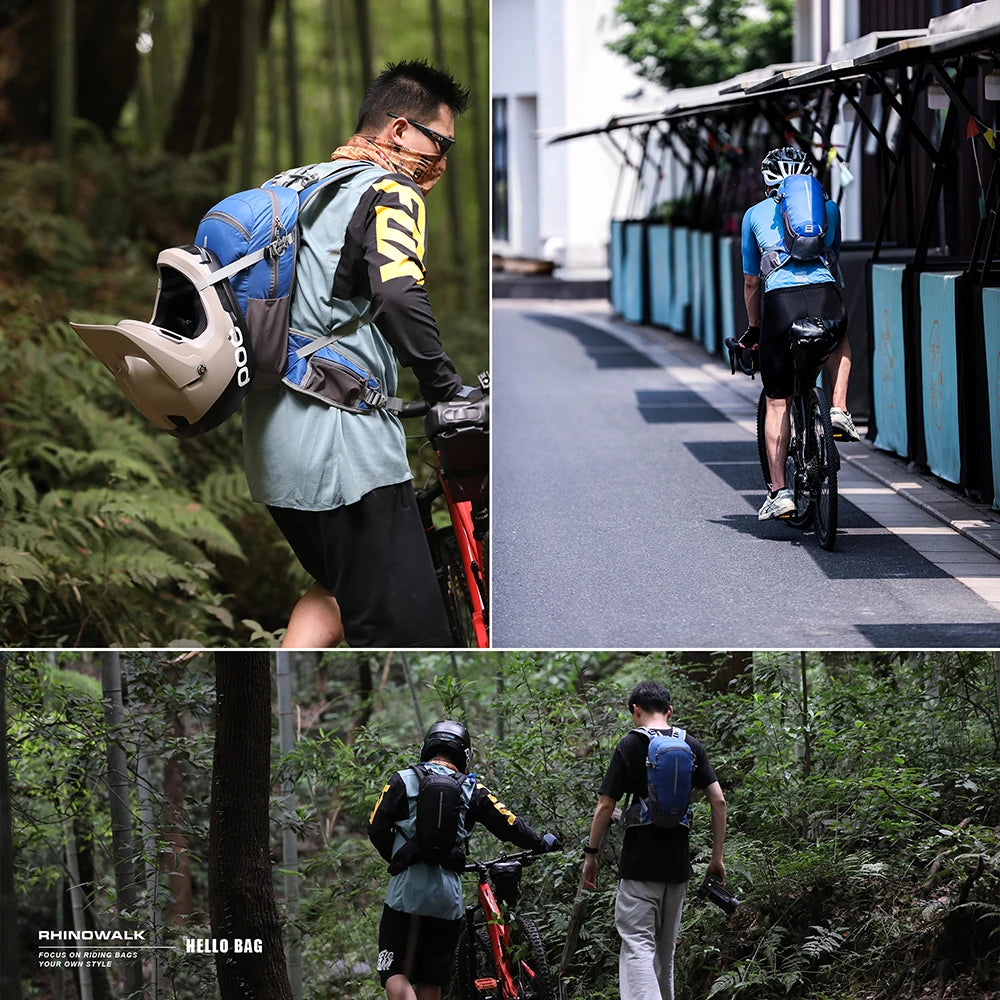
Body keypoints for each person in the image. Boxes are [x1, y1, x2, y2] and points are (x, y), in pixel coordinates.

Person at [242, 59, 474, 647]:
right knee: (407, 629)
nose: (441, 160)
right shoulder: (389, 190)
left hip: (271, 442)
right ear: (399, 130)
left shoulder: (292, 184)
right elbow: (398, 290)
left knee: (335, 590)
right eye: (439, 141)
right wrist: (446, 388)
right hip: (345, 450)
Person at [367, 720, 559, 1000]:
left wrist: (398, 859)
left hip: (404, 894)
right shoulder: (472, 788)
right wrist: (541, 843)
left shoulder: (402, 779)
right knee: (432, 979)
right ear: (464, 755)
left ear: (427, 747)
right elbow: (509, 823)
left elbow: (376, 827)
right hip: (447, 900)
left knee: (395, 973)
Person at [581, 681, 726, 1000]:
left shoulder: (630, 744)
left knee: (637, 947)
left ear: (636, 711)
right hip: (678, 869)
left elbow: (606, 806)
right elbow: (718, 802)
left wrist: (591, 855)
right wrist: (717, 859)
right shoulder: (691, 745)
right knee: (664, 955)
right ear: (669, 711)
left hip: (639, 867)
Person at [740, 145, 860, 522]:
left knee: (778, 401)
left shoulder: (755, 215)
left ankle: (779, 492)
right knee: (839, 339)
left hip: (781, 304)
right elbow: (833, 257)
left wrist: (755, 328)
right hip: (826, 297)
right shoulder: (828, 208)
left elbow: (750, 281)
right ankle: (838, 409)